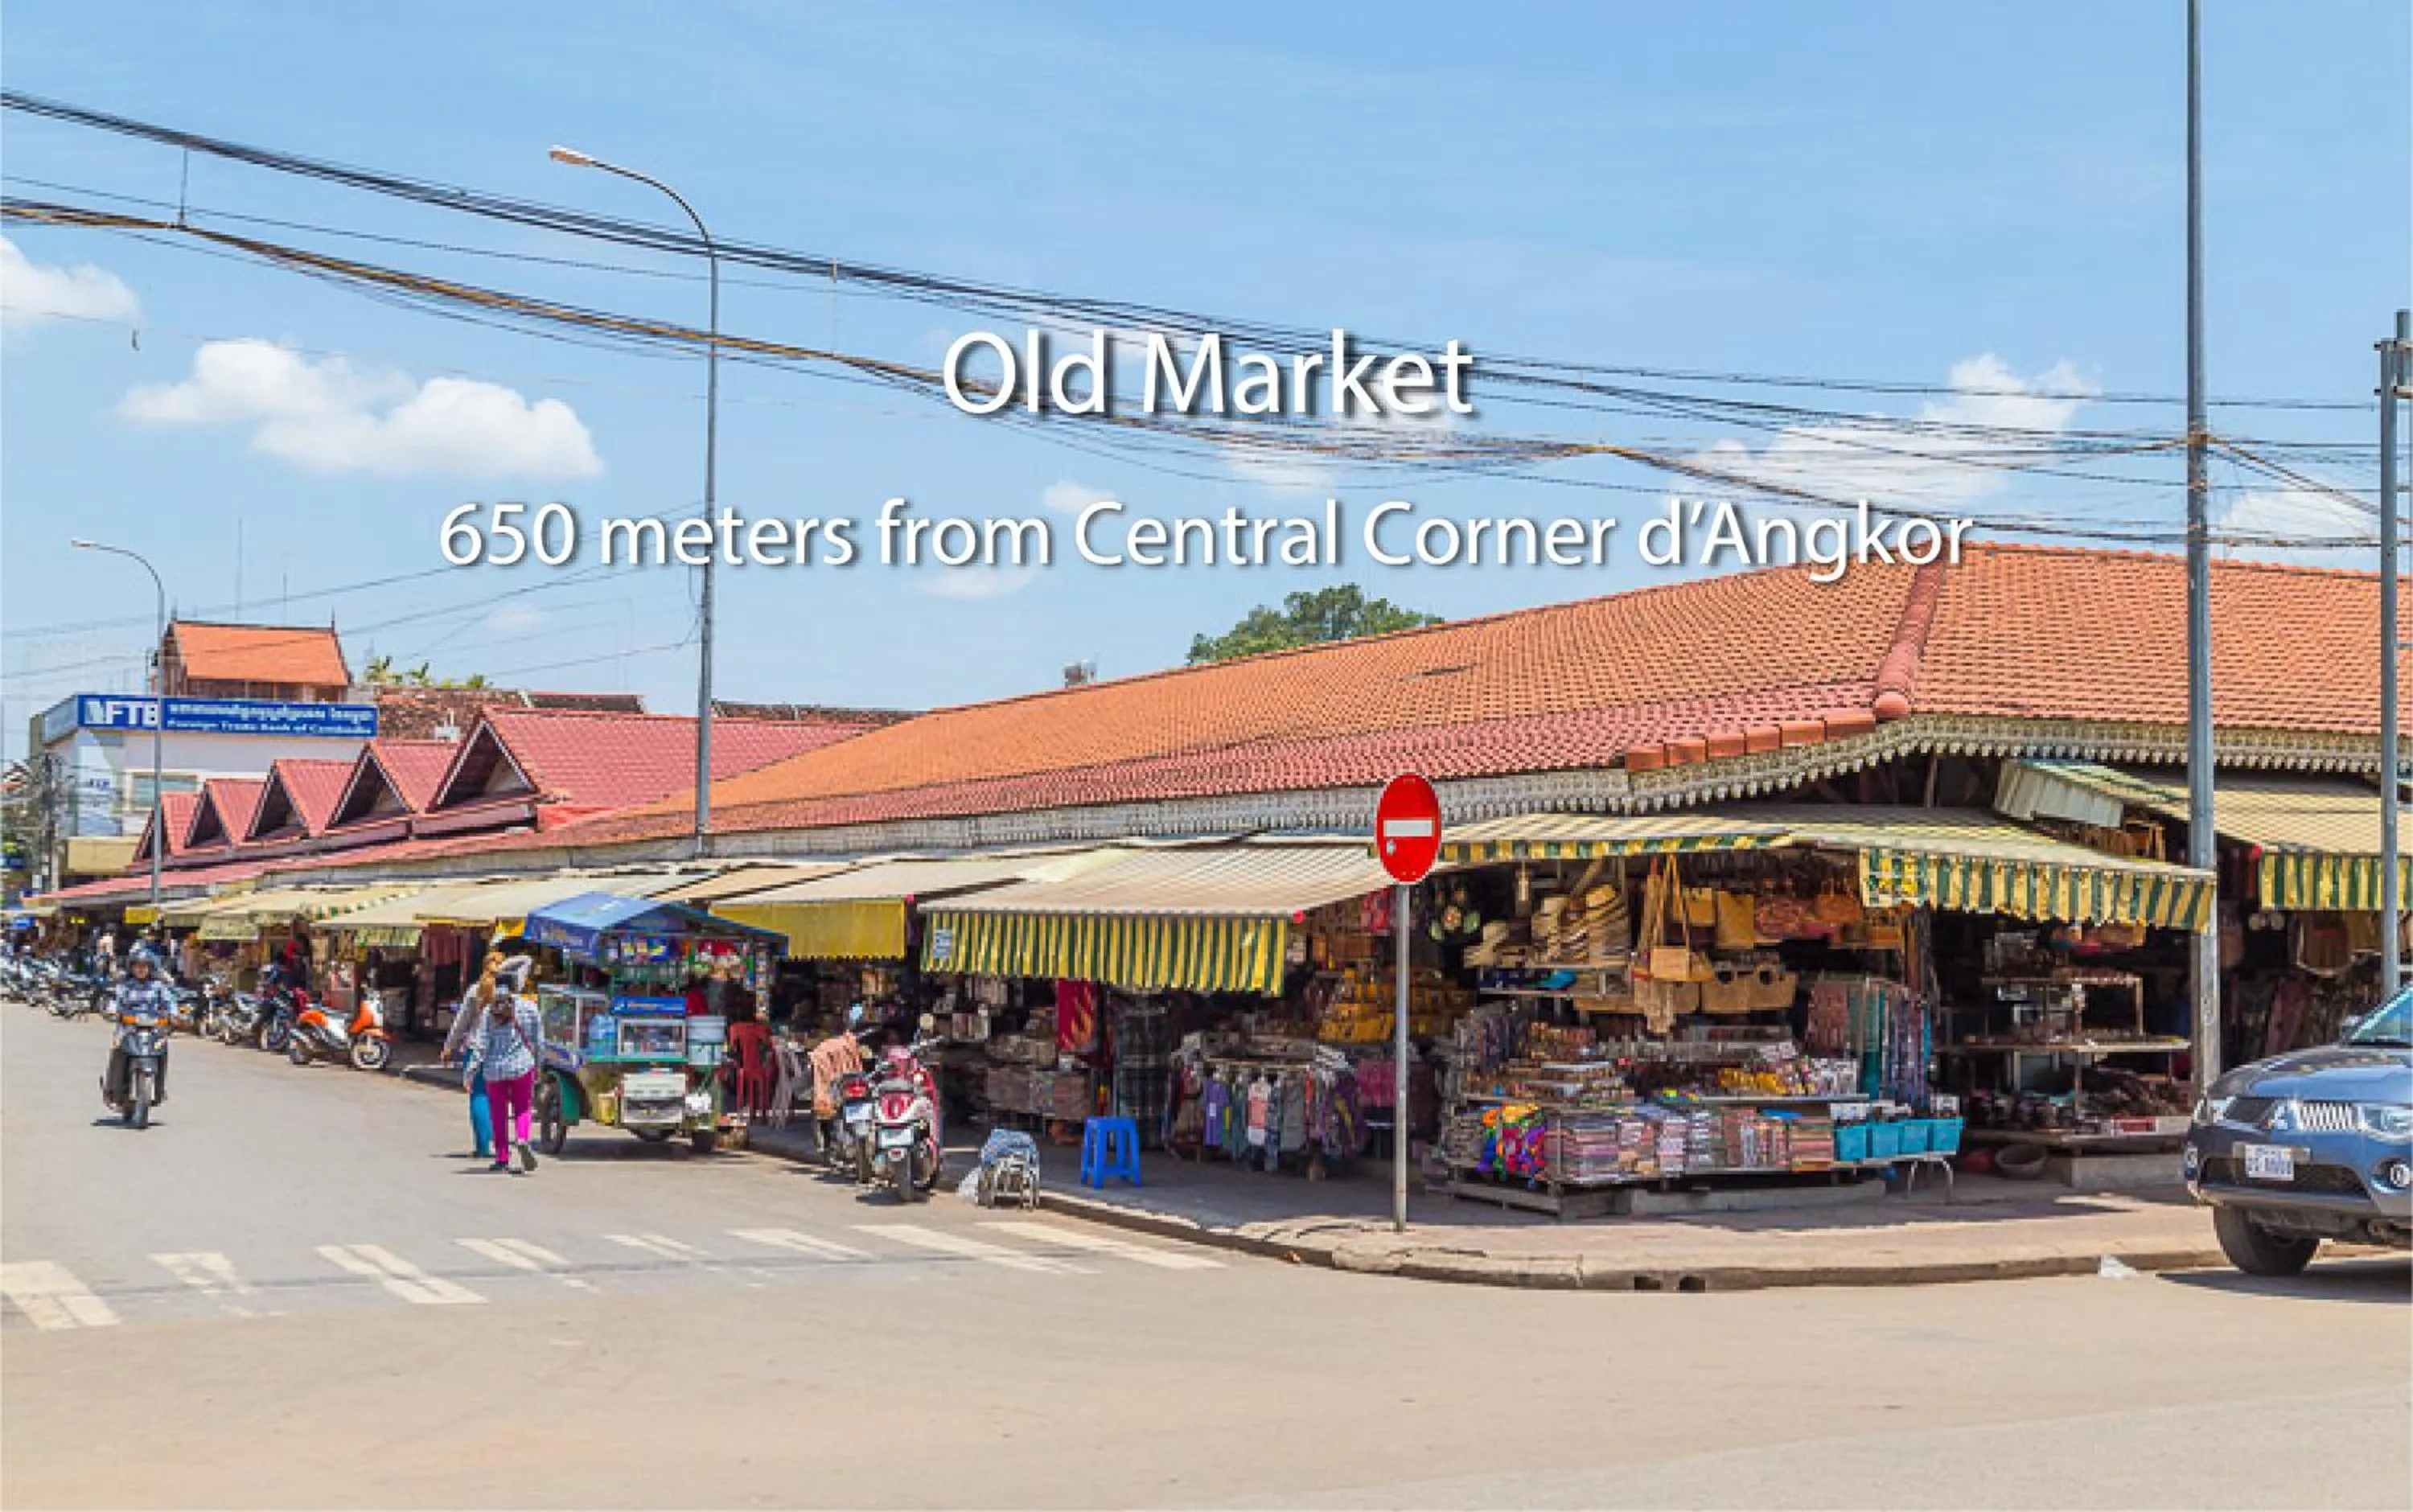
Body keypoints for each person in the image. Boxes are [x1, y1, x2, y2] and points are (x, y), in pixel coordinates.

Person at [462, 963, 548, 1175]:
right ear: (517, 985)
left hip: (494, 1071)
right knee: (523, 1108)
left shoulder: (489, 1010)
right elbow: (539, 1041)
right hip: (522, 1068)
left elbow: (480, 1044)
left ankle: (502, 1158)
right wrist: (539, 1065)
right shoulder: (529, 1008)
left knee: (498, 1113)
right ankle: (522, 1138)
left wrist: (470, 1071)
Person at [442, 957, 504, 1160]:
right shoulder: (508, 994)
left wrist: (449, 1046)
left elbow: (461, 1022)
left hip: (476, 1048)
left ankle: (483, 1147)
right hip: (502, 1050)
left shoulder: (474, 991)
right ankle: (499, 1144)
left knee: (479, 1095)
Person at [101, 947, 175, 1111]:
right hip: (128, 1028)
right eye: (137, 966)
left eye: (144, 966)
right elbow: (116, 1002)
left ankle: (159, 1089)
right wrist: (113, 1011)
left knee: (163, 1050)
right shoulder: (125, 986)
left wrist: (173, 1015)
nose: (141, 969)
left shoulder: (158, 986)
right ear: (132, 968)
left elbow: (170, 1003)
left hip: (154, 1029)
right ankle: (112, 1090)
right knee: (117, 1049)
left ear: (150, 968)